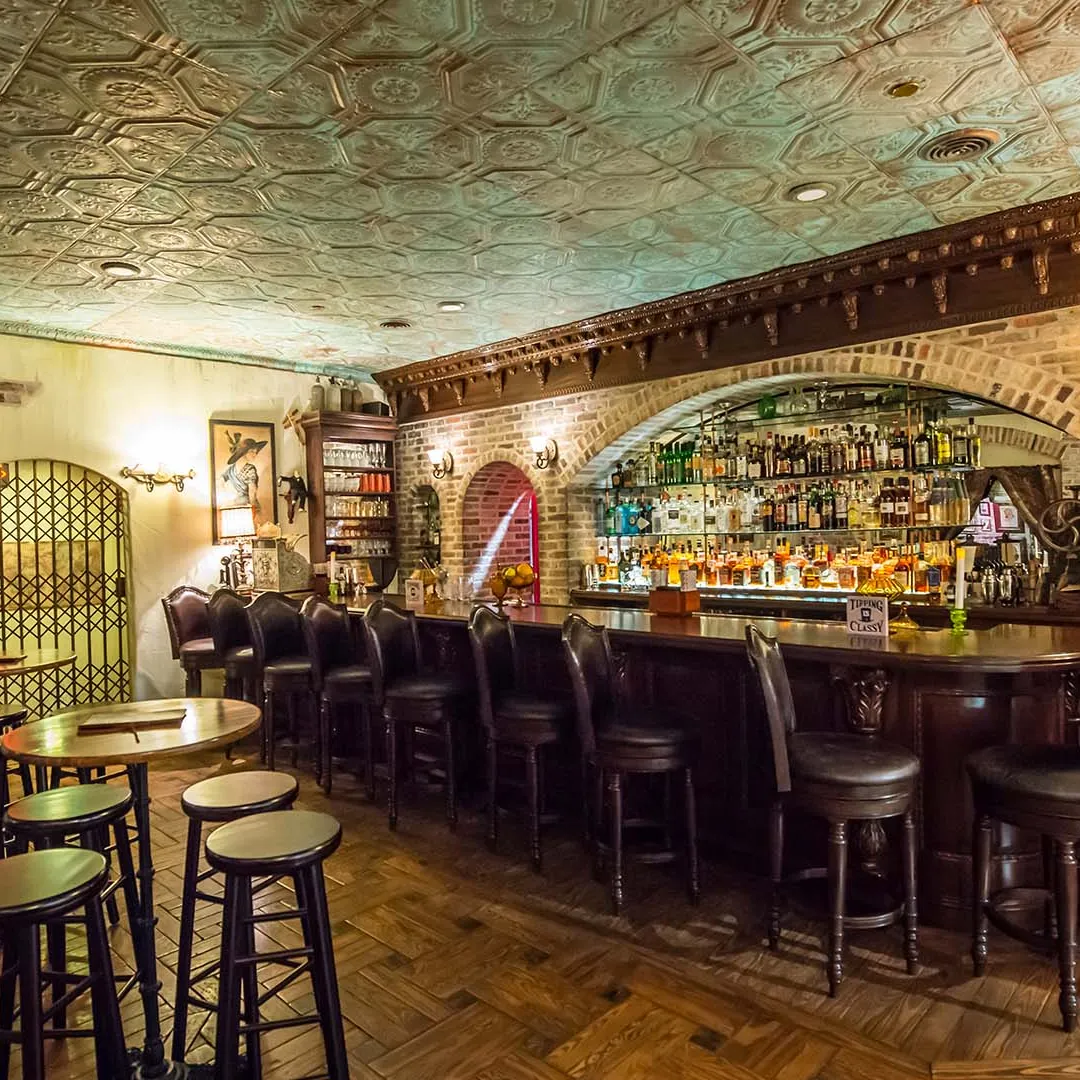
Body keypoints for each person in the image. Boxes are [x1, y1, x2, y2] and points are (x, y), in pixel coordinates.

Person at [221, 432, 266, 517]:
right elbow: (252, 492)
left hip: (237, 504)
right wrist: (254, 507)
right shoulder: (250, 469)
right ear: (243, 453)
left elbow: (220, 481)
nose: (255, 454)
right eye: (252, 451)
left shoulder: (231, 469)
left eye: (256, 452)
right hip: (247, 506)